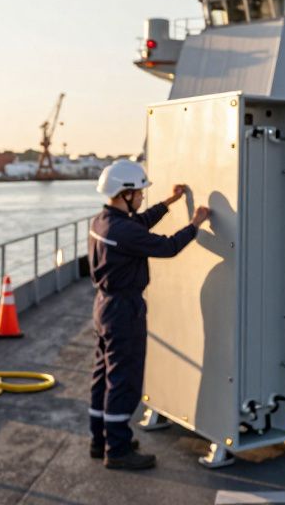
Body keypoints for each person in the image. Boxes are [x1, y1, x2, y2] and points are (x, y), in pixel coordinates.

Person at [87, 159, 209, 470]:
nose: (142, 197)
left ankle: (100, 439)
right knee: (123, 380)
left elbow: (138, 225)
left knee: (103, 376)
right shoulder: (124, 230)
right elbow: (167, 247)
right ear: (125, 194)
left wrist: (168, 203)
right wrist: (195, 225)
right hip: (124, 311)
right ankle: (117, 450)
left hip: (104, 307)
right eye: (139, 192)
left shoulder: (102, 222)